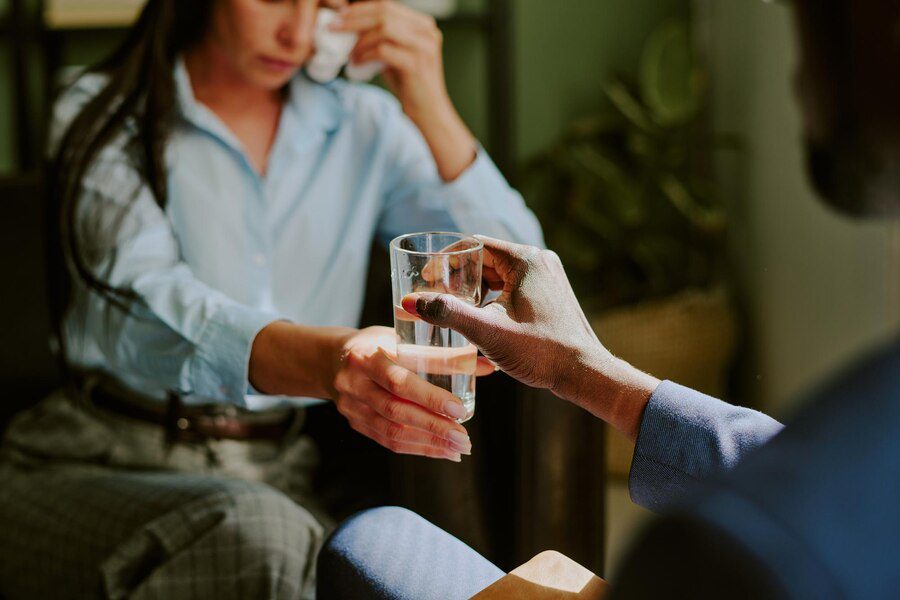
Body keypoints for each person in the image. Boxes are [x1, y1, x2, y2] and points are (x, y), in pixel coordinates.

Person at [317, 0, 900, 597]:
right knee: (376, 539)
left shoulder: (745, 553)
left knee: (363, 544)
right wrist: (587, 372)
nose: (797, 73)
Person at [0, 0, 543, 598]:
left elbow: (521, 280)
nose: (297, 31)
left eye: (321, 2)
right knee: (268, 537)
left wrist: (430, 104)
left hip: (275, 472)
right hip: (96, 459)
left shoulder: (365, 125)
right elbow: (145, 304)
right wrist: (331, 360)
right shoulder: (102, 111)